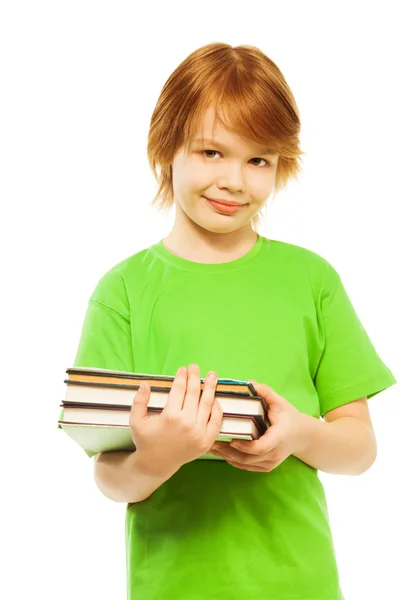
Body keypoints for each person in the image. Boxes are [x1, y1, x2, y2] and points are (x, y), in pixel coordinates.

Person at [72, 42, 397, 599]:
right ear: (166, 147)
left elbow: (360, 449)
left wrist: (297, 435)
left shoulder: (310, 280)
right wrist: (157, 458)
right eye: (211, 152)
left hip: (302, 583)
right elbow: (109, 475)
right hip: (173, 587)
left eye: (259, 160)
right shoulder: (123, 291)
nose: (235, 182)